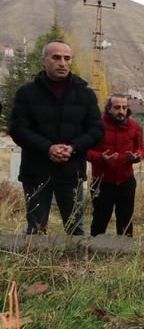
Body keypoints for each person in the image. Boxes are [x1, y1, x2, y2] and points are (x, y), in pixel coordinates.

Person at [9, 39, 104, 235]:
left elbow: (96, 130)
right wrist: (47, 148)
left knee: (75, 229)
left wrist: (73, 148)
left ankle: (76, 266)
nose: (62, 62)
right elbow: (18, 129)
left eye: (67, 58)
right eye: (56, 57)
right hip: (36, 171)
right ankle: (35, 265)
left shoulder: (85, 94)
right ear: (44, 60)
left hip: (71, 170)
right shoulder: (27, 93)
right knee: (36, 229)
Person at [86, 94, 144, 237]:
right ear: (108, 109)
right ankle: (94, 251)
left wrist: (136, 157)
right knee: (100, 219)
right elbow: (86, 151)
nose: (121, 111)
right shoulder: (97, 125)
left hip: (126, 181)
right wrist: (101, 158)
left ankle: (125, 252)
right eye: (117, 107)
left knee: (126, 219)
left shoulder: (134, 126)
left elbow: (141, 148)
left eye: (124, 107)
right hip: (102, 182)